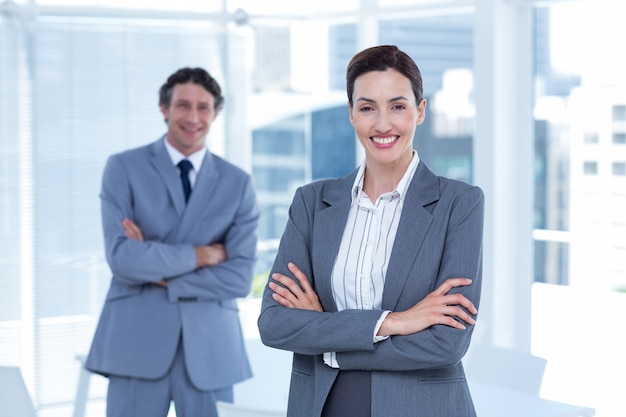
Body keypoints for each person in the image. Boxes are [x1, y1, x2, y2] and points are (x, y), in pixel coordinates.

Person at [257, 45, 484, 417]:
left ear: (420, 111)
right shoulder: (312, 204)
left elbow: (446, 343)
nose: (382, 125)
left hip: (421, 407)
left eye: (397, 106)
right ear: (351, 114)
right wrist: (394, 321)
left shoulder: (460, 204)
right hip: (324, 403)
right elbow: (275, 324)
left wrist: (327, 339)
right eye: (367, 108)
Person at [85, 67, 260, 417]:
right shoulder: (123, 168)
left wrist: (153, 266)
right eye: (183, 105)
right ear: (164, 108)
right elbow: (122, 258)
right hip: (135, 341)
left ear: (215, 113)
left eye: (204, 107)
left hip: (210, 347)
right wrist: (202, 255)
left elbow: (239, 278)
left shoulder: (237, 183)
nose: (193, 117)